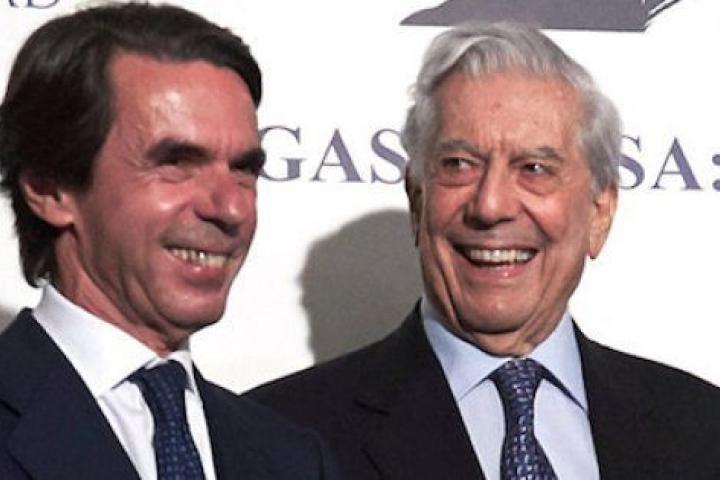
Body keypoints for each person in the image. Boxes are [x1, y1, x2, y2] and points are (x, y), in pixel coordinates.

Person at [249, 22, 720, 480]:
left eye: (534, 168)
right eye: (459, 164)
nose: (491, 206)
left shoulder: (702, 428)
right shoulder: (273, 437)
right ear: (417, 200)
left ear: (600, 212)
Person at [0, 4, 337, 479]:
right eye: (176, 162)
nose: (230, 208)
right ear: (50, 189)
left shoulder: (293, 459)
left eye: (243, 169)